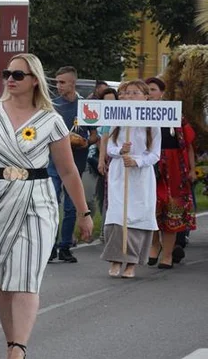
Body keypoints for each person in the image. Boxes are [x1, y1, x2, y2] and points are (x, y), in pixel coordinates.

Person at [0, 53, 92, 359]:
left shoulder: (50, 120)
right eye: (8, 73)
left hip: (36, 200)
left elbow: (67, 171)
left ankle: (19, 348)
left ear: (34, 79)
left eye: (18, 75)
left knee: (26, 273)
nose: (10, 79)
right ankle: (11, 340)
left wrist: (83, 212)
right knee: (3, 275)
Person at [100, 80, 161, 278]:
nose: (129, 97)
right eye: (125, 93)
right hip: (120, 172)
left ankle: (132, 262)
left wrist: (137, 162)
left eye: (134, 93)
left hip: (140, 176)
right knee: (118, 215)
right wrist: (120, 151)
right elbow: (109, 147)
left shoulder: (153, 123)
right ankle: (116, 258)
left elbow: (155, 154)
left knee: (137, 216)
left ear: (145, 97)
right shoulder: (116, 120)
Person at [48, 66, 97, 263]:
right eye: (56, 82)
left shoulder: (85, 107)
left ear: (73, 83)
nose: (58, 86)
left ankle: (65, 245)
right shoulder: (52, 105)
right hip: (53, 163)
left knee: (70, 207)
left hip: (76, 162)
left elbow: (94, 134)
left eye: (62, 82)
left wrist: (86, 142)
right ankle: (50, 246)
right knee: (51, 205)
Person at [146, 77, 196, 268]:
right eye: (147, 90)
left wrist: (192, 169)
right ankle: (154, 245)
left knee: (172, 207)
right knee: (150, 207)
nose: (149, 93)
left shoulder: (174, 114)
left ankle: (167, 254)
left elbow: (188, 144)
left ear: (161, 93)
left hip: (174, 166)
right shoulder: (138, 114)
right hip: (149, 164)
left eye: (152, 89)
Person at [90, 87, 117, 224]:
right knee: (103, 196)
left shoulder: (119, 117)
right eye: (107, 102)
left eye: (113, 101)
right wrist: (101, 160)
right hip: (99, 160)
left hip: (116, 160)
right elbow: (102, 138)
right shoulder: (98, 118)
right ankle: (104, 228)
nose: (110, 105)